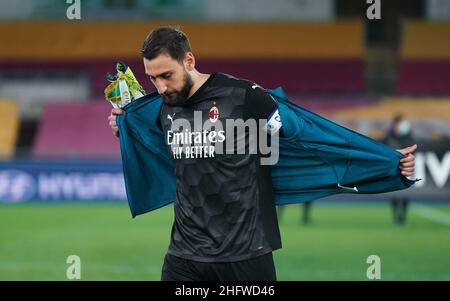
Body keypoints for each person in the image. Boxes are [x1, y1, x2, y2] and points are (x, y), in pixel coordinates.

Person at [107, 26, 417, 281]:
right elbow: (144, 136)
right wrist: (124, 126)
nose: (160, 88)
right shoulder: (163, 108)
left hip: (244, 256)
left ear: (189, 60)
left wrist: (383, 157)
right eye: (152, 78)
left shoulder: (243, 97)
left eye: (166, 75)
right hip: (183, 258)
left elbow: (309, 133)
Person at [382, 114, 415, 225]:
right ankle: (396, 216)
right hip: (393, 169)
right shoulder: (389, 136)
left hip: (405, 168)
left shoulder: (409, 136)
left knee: (406, 193)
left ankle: (403, 217)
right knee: (395, 194)